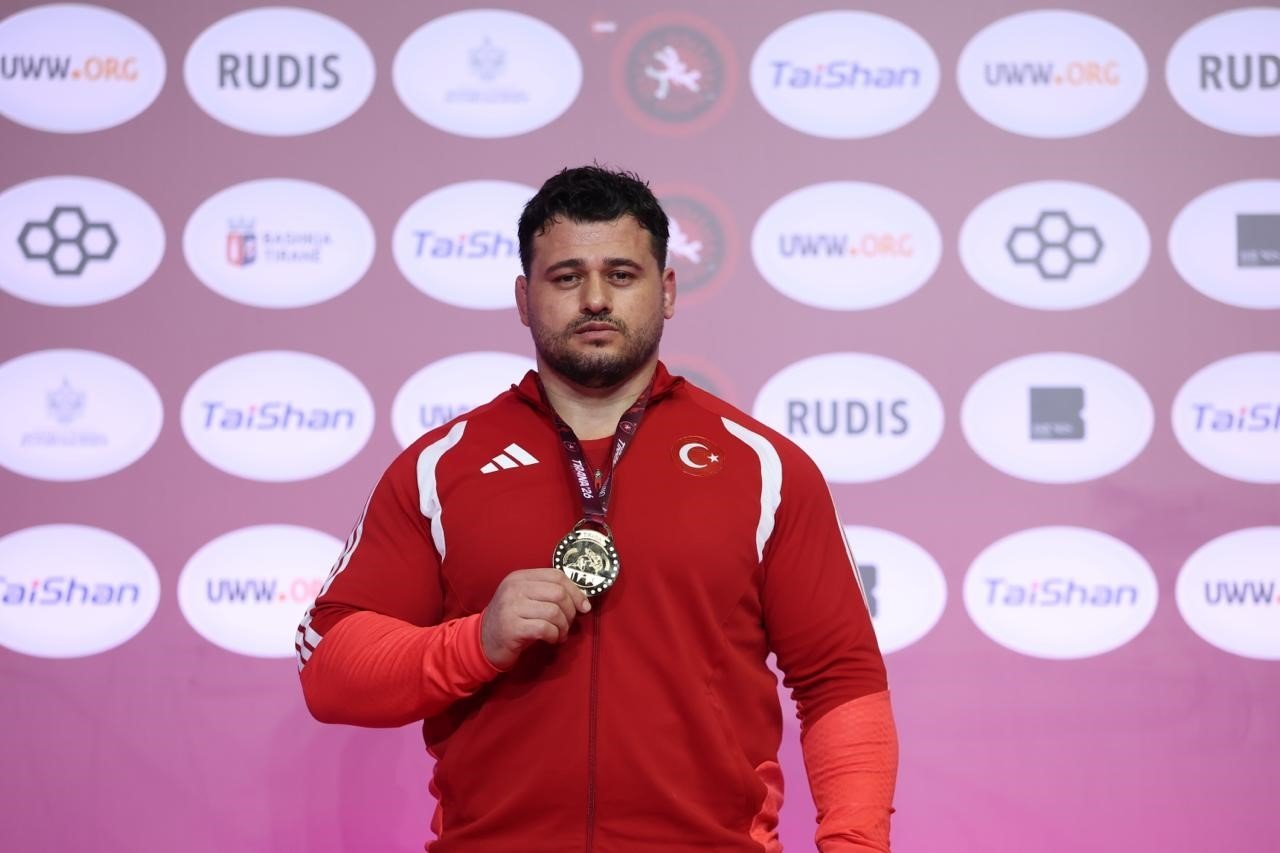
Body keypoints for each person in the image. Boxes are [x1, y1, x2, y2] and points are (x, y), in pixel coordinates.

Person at [296, 165, 898, 851]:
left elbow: (841, 681)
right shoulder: (444, 465)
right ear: (524, 298)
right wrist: (475, 641)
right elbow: (329, 667)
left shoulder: (763, 467)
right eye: (565, 277)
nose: (593, 299)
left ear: (666, 291)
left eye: (621, 274)